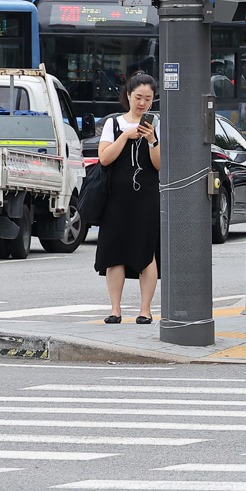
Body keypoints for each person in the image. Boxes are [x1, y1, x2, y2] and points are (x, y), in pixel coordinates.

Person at [93, 73, 161, 324]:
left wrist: (152, 140)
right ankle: (115, 309)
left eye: (148, 99)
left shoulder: (156, 126)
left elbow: (159, 165)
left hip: (146, 199)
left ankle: (145, 310)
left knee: (146, 251)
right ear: (129, 95)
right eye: (138, 97)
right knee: (114, 252)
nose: (142, 103)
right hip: (116, 199)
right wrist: (124, 136)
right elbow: (104, 158)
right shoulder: (113, 124)